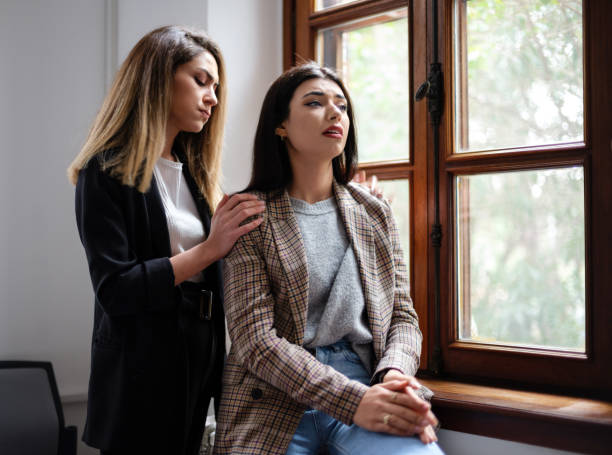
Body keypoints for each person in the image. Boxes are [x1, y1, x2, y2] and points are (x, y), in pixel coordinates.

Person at [214, 62, 443, 455]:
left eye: (342, 105)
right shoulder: (248, 215)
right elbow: (255, 342)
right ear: (280, 125)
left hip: (366, 382)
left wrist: (392, 375)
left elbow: (403, 316)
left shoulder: (375, 213)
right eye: (315, 103)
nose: (336, 112)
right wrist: (353, 402)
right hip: (273, 397)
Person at [67, 26, 265, 455]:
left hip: (200, 362)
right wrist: (209, 248)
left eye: (216, 86)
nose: (213, 97)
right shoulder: (103, 173)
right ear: (158, 77)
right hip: (139, 371)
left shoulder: (196, 176)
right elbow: (116, 289)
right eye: (201, 80)